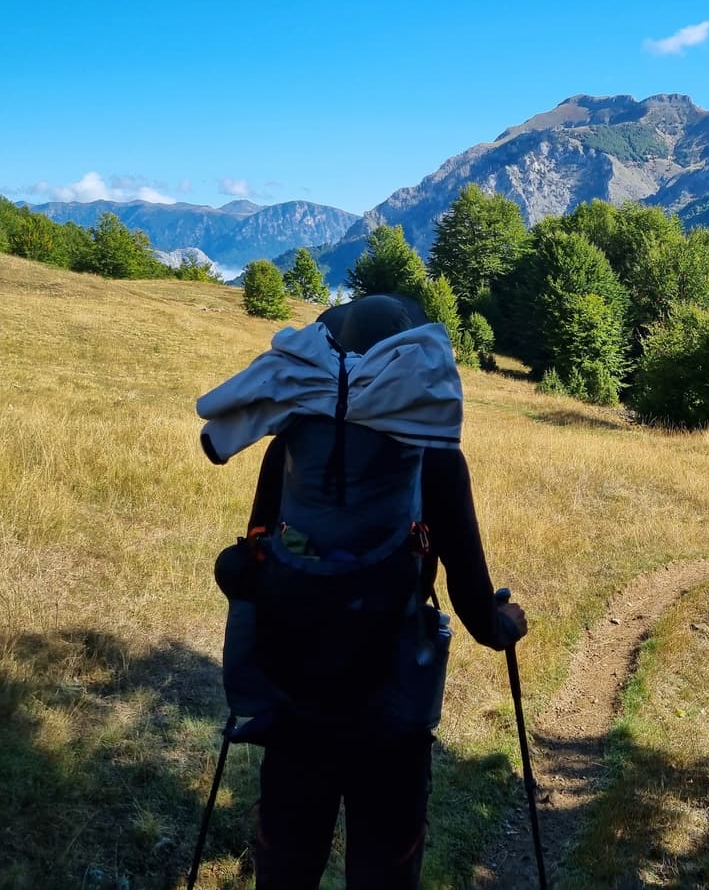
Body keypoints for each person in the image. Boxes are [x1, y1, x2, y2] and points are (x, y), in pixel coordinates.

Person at [197, 293, 527, 889]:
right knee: (384, 866)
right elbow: (473, 598)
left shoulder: (292, 438)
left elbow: (259, 550)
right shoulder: (433, 451)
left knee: (286, 864)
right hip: (390, 707)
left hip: (295, 696)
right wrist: (503, 624)